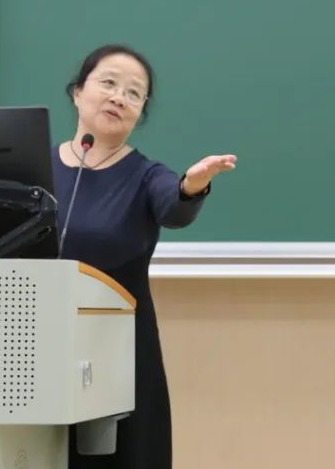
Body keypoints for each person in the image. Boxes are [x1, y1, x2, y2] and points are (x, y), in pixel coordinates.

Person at [52, 44, 237, 469]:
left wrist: (193, 185)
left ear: (140, 113)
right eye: (109, 83)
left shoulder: (146, 175)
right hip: (34, 343)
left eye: (134, 93)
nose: (119, 97)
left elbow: (174, 207)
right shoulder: (36, 168)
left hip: (119, 351)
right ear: (78, 92)